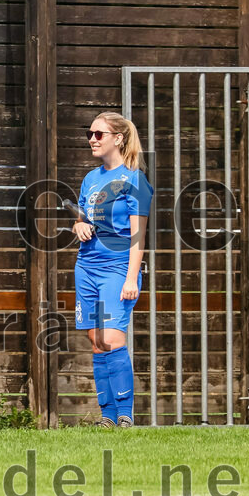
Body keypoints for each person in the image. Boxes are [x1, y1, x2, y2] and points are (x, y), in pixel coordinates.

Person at [73, 112, 153, 429]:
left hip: (118, 267)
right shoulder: (90, 179)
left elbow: (138, 236)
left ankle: (124, 415)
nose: (92, 139)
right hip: (87, 266)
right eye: (90, 134)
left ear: (118, 138)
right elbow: (80, 216)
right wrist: (78, 225)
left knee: (112, 338)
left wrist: (132, 277)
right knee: (96, 342)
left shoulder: (135, 180)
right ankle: (106, 417)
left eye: (98, 134)